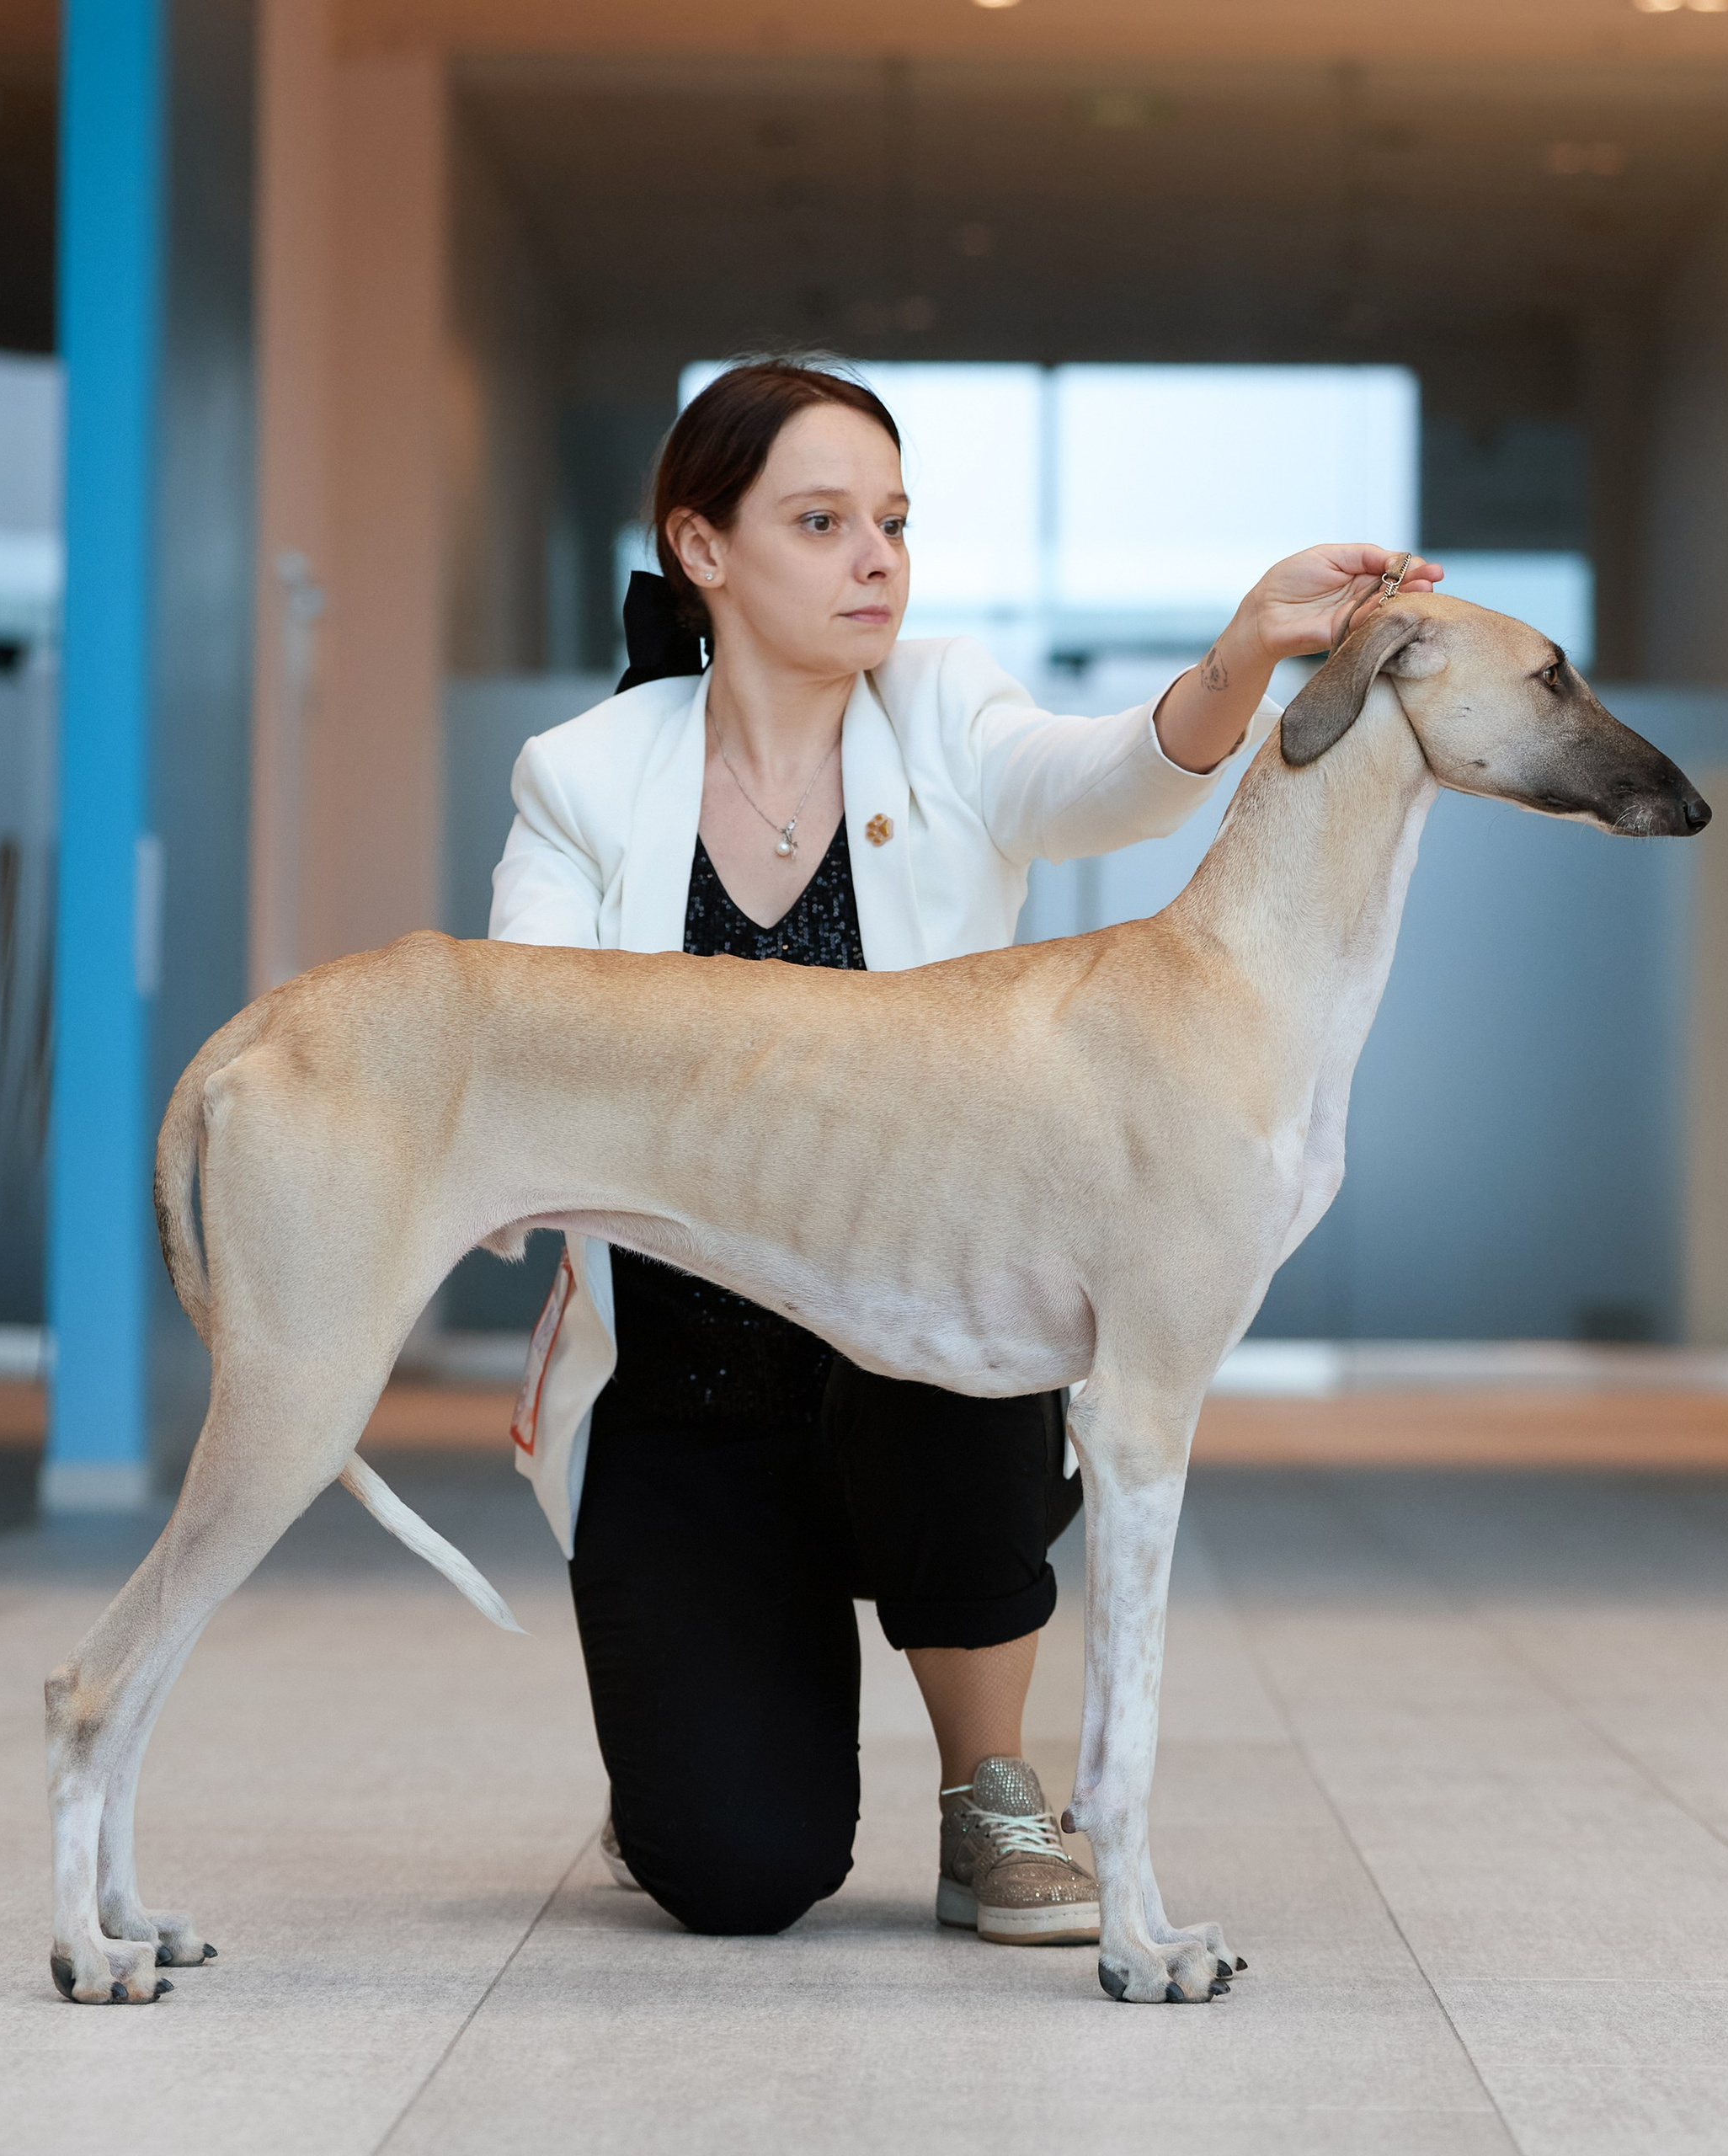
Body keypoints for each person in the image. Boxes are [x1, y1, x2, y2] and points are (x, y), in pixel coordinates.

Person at [488, 358, 1441, 1945]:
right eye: (822, 520)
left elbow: (1113, 781)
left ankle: (989, 1792)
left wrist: (1243, 648)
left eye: (895, 521)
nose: (877, 556)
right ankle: (685, 1750)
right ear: (702, 549)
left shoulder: (942, 706)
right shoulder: (585, 775)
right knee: (733, 1871)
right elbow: (539, 1030)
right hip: (691, 1375)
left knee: (978, 1345)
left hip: (924, 1353)